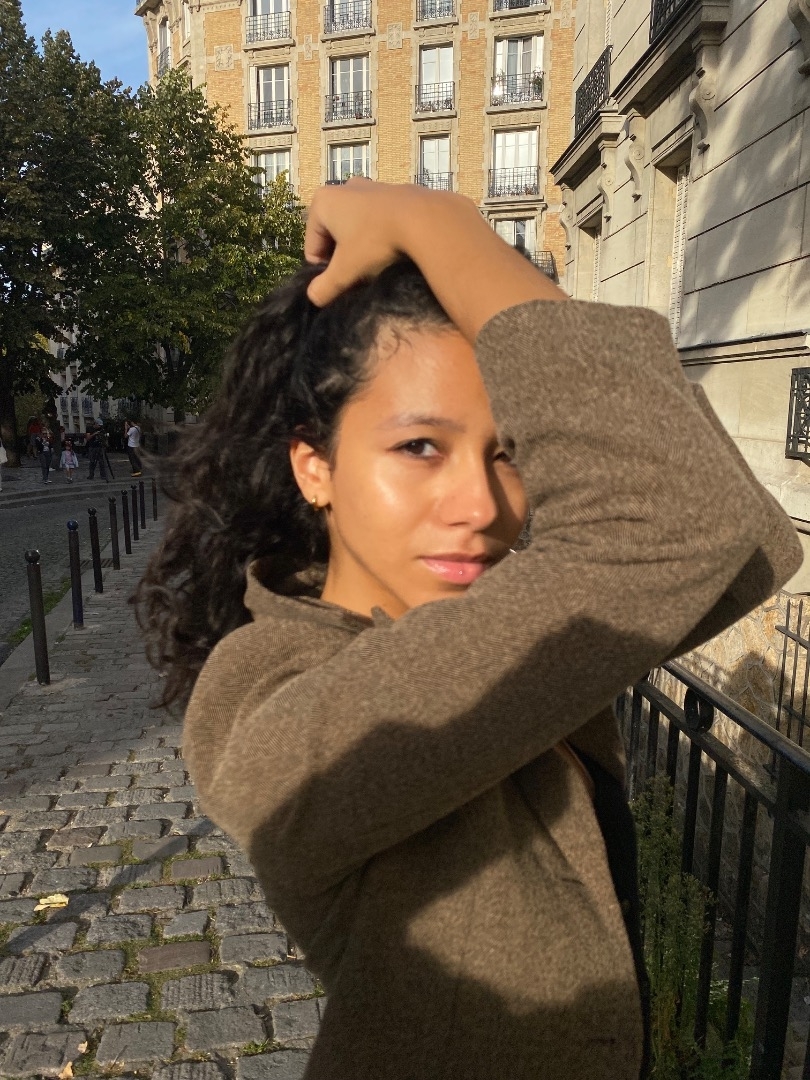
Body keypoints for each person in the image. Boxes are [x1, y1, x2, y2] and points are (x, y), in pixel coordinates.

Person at [134, 182, 801, 1080]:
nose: (481, 507)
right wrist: (442, 225)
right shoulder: (271, 702)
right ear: (314, 466)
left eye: (510, 454)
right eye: (420, 447)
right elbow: (685, 514)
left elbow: (743, 545)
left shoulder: (483, 621)